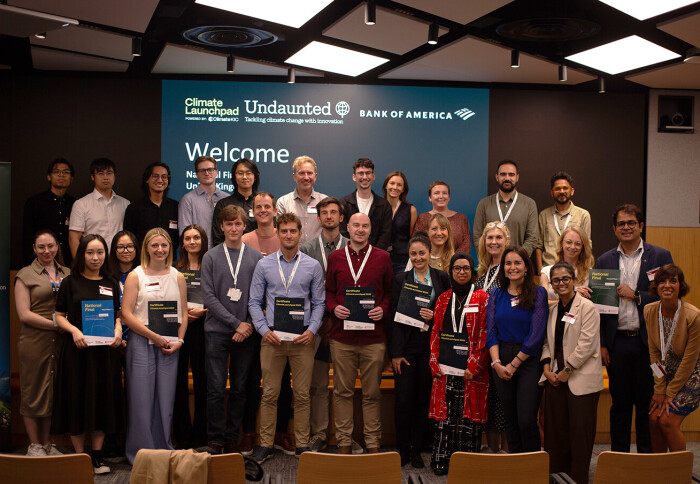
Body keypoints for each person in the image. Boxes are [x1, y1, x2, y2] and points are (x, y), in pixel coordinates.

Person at [248, 213, 326, 463]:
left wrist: (312, 330)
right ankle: (265, 444)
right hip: (272, 339)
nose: (289, 235)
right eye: (284, 231)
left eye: (293, 231)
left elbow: (320, 303)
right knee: (270, 393)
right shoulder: (264, 265)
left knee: (302, 394)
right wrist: (263, 330)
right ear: (278, 233)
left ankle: (302, 444)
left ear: (300, 233)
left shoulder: (312, 266)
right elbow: (253, 302)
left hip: (302, 339)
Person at [596, 203, 673, 453]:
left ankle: (644, 460)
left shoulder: (660, 256)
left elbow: (670, 296)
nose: (626, 227)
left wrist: (637, 295)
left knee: (645, 404)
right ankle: (619, 458)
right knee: (619, 405)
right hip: (617, 344)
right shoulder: (604, 260)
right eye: (621, 224)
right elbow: (601, 309)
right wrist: (603, 344)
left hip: (648, 344)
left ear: (641, 226)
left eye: (631, 223)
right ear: (614, 229)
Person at [52, 234, 124, 474]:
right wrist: (74, 331)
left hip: (104, 355)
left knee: (102, 401)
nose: (95, 257)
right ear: (82, 254)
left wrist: (117, 331)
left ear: (106, 254)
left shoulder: (111, 282)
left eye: (100, 252)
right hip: (77, 353)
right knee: (77, 401)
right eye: (90, 252)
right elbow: (59, 316)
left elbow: (116, 315)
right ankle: (79, 457)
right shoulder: (69, 282)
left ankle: (97, 457)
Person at [326, 212, 393, 454]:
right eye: (356, 225)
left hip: (373, 339)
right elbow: (329, 292)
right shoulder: (335, 257)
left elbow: (389, 293)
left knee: (372, 394)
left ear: (370, 229)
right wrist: (334, 307)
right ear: (348, 227)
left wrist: (382, 309)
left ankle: (373, 444)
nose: (360, 230)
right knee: (342, 393)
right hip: (342, 338)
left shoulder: (383, 257)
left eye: (365, 226)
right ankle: (344, 442)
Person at [121, 228, 188, 464]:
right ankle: (142, 454)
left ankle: (162, 450)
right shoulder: (135, 276)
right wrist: (153, 336)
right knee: (141, 400)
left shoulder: (178, 276)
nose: (160, 250)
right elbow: (126, 314)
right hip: (141, 342)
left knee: (165, 400)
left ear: (170, 248)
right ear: (146, 248)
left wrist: (179, 340)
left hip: (169, 344)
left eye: (164, 245)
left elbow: (184, 314)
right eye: (155, 245)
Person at [200, 205, 262, 454]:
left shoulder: (256, 257)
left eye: (238, 224)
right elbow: (209, 297)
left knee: (239, 388)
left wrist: (246, 324)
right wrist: (236, 323)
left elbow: (258, 296)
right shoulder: (210, 257)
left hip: (246, 333)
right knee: (215, 388)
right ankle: (215, 439)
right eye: (229, 224)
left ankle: (232, 437)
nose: (234, 228)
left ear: (244, 226)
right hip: (217, 332)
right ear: (222, 226)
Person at [540, 262, 603, 484]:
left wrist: (567, 370)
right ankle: (557, 478)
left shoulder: (587, 307)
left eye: (565, 279)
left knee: (580, 436)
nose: (561, 283)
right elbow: (547, 343)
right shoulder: (552, 311)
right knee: (555, 435)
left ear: (574, 280)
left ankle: (578, 479)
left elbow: (587, 344)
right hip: (555, 378)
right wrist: (547, 369)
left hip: (580, 378)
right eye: (556, 280)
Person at [391, 233, 450, 468]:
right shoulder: (400, 279)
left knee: (423, 399)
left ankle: (417, 449)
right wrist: (395, 353)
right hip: (406, 348)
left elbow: (448, 312)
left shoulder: (441, 277)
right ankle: (402, 448)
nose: (418, 258)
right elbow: (394, 318)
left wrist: (434, 316)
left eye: (422, 253)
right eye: (413, 254)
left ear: (429, 253)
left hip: (430, 347)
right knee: (403, 399)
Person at [428, 253, 489, 476]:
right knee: (445, 419)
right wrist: (434, 362)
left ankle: (467, 465)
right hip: (445, 370)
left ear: (472, 272)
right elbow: (436, 332)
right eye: (457, 268)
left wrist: (474, 366)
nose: (461, 272)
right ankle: (441, 461)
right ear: (451, 271)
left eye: (466, 268)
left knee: (467, 419)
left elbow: (485, 334)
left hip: (471, 372)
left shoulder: (482, 298)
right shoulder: (443, 298)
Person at [300, 196, 350, 453]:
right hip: (317, 326)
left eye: (333, 212)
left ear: (341, 217)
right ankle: (318, 434)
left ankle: (345, 437)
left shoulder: (353, 246)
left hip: (346, 326)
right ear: (318, 218)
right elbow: (302, 287)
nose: (329, 216)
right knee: (318, 384)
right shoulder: (308, 248)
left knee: (344, 385)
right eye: (324, 213)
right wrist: (318, 321)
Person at [14, 230, 70, 456]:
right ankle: (34, 445)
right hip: (35, 341)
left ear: (57, 246)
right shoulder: (25, 275)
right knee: (33, 391)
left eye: (51, 246)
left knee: (51, 393)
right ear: (34, 249)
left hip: (62, 342)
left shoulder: (67, 272)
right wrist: (57, 324)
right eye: (41, 247)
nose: (47, 251)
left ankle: (47, 443)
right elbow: (24, 315)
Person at [486, 246, 548, 453]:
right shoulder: (496, 294)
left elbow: (535, 336)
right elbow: (491, 333)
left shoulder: (538, 293)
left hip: (528, 359)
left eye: (517, 263)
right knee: (510, 419)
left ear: (526, 267)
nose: (512, 267)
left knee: (526, 419)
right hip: (501, 358)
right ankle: (515, 464)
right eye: (508, 263)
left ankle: (532, 463)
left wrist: (513, 365)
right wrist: (497, 364)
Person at [645, 264, 700, 452]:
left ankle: (680, 469)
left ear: (680, 286)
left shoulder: (693, 316)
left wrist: (670, 393)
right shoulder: (649, 310)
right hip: (666, 371)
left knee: (667, 421)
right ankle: (660, 467)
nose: (667, 285)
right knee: (654, 419)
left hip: (692, 374)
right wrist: (659, 389)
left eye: (673, 281)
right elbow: (654, 353)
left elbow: (689, 361)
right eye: (662, 281)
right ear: (656, 285)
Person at [473, 221, 511, 453]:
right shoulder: (481, 273)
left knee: (503, 398)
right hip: (482, 345)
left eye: (499, 237)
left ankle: (506, 452)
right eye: (490, 238)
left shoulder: (510, 271)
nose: (494, 242)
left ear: (507, 241)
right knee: (487, 397)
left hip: (503, 343)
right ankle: (491, 450)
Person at [173, 224, 209, 449]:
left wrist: (206, 310)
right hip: (179, 328)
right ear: (182, 243)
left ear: (203, 240)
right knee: (178, 382)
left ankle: (201, 435)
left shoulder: (211, 266)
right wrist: (183, 312)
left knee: (203, 381)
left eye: (196, 237)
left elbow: (218, 295)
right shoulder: (174, 269)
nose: (192, 241)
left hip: (204, 327)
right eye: (188, 238)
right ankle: (182, 435)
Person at [472, 160, 538, 256]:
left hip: (517, 263)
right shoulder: (484, 204)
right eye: (503, 174)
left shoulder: (529, 204)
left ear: (517, 177)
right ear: (497, 177)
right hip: (490, 262)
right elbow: (477, 236)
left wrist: (516, 259)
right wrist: (488, 258)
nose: (507, 178)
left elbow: (532, 239)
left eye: (511, 174)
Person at [68, 157, 130, 258]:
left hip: (120, 260)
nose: (105, 177)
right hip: (93, 260)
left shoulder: (125, 204)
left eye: (109, 173)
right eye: (100, 173)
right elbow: (73, 239)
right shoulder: (81, 204)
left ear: (114, 176)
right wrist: (79, 264)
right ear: (92, 177)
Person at [22, 158, 76, 266]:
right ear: (48, 177)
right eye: (56, 172)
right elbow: (27, 237)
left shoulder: (75, 204)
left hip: (68, 263)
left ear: (71, 179)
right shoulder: (35, 202)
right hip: (40, 262)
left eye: (66, 172)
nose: (61, 175)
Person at [536, 172, 591, 273]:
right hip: (549, 269)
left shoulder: (583, 215)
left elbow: (587, 246)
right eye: (557, 189)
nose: (562, 191)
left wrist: (585, 270)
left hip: (574, 271)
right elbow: (539, 246)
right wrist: (541, 270)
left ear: (572, 191)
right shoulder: (544, 215)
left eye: (565, 188)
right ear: (552, 192)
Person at [124, 162, 180, 254]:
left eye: (164, 177)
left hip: (169, 259)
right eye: (155, 176)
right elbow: (129, 238)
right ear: (147, 179)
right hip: (143, 259)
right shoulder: (134, 208)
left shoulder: (175, 206)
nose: (160, 180)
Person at [339, 158, 392, 250]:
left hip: (376, 256)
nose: (364, 177)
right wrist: (354, 253)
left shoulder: (384, 205)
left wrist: (373, 255)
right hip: (350, 255)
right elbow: (343, 233)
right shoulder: (344, 204)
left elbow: (385, 235)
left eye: (368, 173)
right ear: (354, 177)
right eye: (360, 173)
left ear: (373, 176)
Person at [178, 156, 230, 248]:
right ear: (196, 174)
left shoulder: (226, 198)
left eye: (210, 169)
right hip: (198, 252)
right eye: (202, 170)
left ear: (216, 172)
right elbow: (185, 233)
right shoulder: (188, 199)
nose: (206, 173)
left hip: (223, 252)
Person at [276, 155, 328, 246]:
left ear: (315, 176)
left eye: (309, 173)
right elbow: (280, 232)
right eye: (302, 173)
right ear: (294, 176)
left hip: (319, 253)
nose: (306, 177)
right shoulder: (283, 202)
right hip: (292, 253)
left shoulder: (324, 201)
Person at [539, 225, 594, 303]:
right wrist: (573, 297)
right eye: (569, 242)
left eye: (578, 244)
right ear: (561, 243)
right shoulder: (546, 271)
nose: (573, 247)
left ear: (583, 247)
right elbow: (543, 303)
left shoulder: (590, 274)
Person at [211, 158, 259, 245]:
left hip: (258, 252)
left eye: (248, 173)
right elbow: (218, 239)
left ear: (255, 176)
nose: (244, 177)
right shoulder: (223, 204)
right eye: (240, 173)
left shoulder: (262, 204)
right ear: (234, 177)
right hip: (229, 252)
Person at [413, 181, 471, 253]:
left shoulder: (461, 218)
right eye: (437, 193)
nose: (441, 196)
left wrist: (454, 258)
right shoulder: (423, 218)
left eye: (444, 193)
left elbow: (466, 244)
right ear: (430, 198)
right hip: (429, 259)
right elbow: (417, 243)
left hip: (457, 259)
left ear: (449, 197)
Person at [382, 171, 417, 273]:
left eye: (399, 185)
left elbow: (412, 238)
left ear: (403, 189)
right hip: (380, 259)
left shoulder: (411, 210)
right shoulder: (377, 207)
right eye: (392, 183)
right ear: (386, 186)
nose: (395, 187)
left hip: (402, 261)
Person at [242, 191, 280, 256]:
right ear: (253, 211)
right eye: (258, 207)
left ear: (275, 211)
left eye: (267, 206)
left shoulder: (284, 239)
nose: (263, 210)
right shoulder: (244, 241)